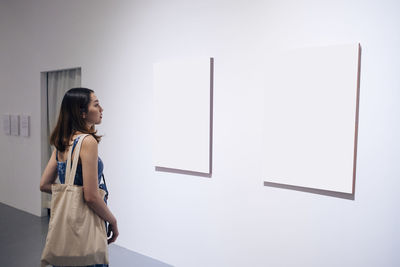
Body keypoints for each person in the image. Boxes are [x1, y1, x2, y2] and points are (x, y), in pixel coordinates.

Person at [40, 87, 119, 267]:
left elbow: (44, 184)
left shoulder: (63, 140)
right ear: (82, 112)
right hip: (88, 222)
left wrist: (68, 193)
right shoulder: (87, 141)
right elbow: (91, 196)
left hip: (68, 223)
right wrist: (112, 221)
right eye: (96, 105)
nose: (102, 109)